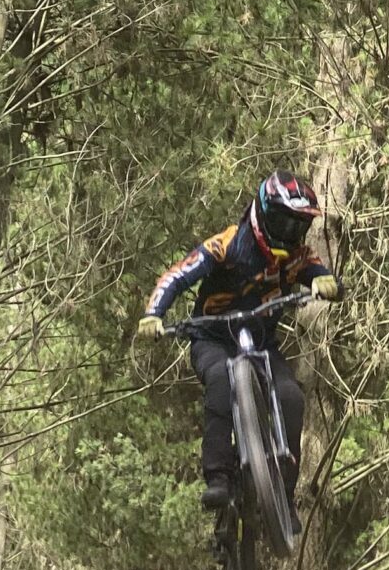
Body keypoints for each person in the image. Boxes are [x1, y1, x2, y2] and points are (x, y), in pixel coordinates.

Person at [137, 173, 340, 508]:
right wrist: (153, 314)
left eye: (297, 226)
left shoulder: (296, 255)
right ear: (261, 212)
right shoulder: (227, 244)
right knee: (220, 379)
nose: (289, 233)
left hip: (262, 342)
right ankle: (218, 476)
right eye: (281, 221)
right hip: (212, 339)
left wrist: (325, 282)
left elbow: (319, 273)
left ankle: (284, 498)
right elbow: (178, 275)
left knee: (291, 398)